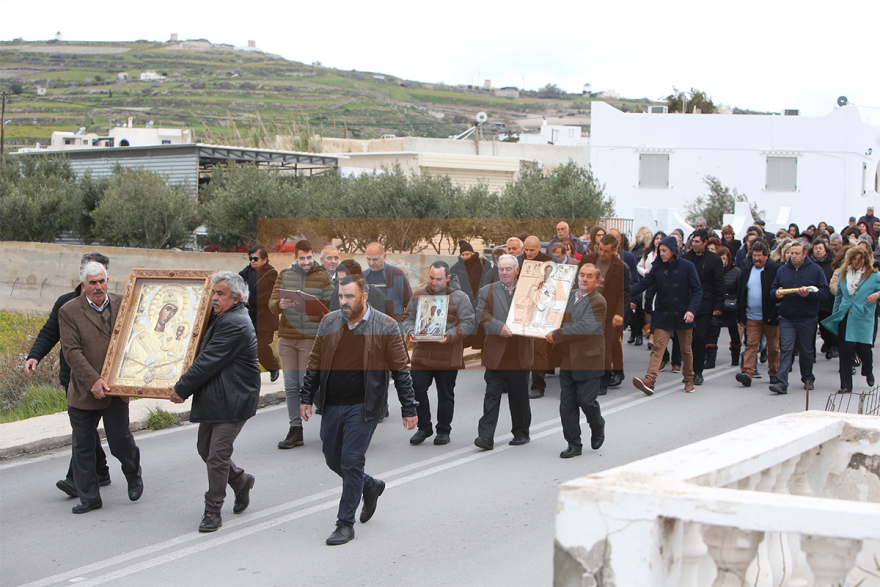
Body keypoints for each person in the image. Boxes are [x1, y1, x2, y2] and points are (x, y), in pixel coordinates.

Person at [299, 274, 418, 546]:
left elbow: (401, 369)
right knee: (332, 458)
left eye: (349, 296)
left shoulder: (386, 326)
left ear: (363, 297)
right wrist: (306, 396)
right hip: (331, 403)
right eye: (341, 296)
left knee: (351, 461)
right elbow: (315, 361)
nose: (344, 301)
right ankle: (370, 486)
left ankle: (345, 524)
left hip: (364, 406)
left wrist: (409, 408)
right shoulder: (330, 321)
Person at [169, 272, 261, 533]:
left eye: (220, 294)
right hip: (216, 396)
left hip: (234, 399)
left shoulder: (235, 323)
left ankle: (213, 509)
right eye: (213, 293)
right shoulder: (223, 316)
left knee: (218, 454)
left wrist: (181, 389)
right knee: (205, 449)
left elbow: (208, 361)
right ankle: (241, 481)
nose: (214, 298)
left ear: (237, 298)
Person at [25, 252, 112, 499]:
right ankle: (100, 471)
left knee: (85, 429)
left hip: (107, 377)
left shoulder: (115, 303)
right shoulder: (66, 303)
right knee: (84, 427)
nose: (96, 283)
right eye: (91, 276)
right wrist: (34, 356)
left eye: (101, 276)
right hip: (74, 379)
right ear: (82, 276)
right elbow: (49, 332)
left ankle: (77, 479)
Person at [58, 262, 142, 514]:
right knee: (83, 446)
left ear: (107, 281)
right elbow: (71, 352)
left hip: (116, 389)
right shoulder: (69, 311)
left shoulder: (124, 303)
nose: (98, 287)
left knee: (119, 441)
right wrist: (93, 380)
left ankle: (133, 472)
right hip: (84, 392)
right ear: (83, 285)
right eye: (92, 282)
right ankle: (89, 497)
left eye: (102, 281)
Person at [269, 239, 334, 449]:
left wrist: (314, 307)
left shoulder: (323, 276)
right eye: (301, 258)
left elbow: (331, 308)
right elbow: (271, 305)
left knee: (306, 384)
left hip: (310, 338)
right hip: (287, 338)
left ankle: (330, 417)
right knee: (290, 386)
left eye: (308, 257)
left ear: (313, 256)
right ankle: (295, 429)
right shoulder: (284, 275)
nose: (305, 262)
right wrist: (280, 303)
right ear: (294, 258)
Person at [402, 261, 475, 446]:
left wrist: (449, 336)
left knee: (445, 394)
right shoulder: (418, 295)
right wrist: (411, 331)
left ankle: (443, 430)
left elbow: (468, 324)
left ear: (448, 278)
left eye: (439, 279)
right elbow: (407, 318)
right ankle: (424, 427)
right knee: (416, 390)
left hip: (447, 356)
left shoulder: (460, 297)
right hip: (422, 355)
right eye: (432, 278)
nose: (435, 282)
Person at [473, 255, 533, 450]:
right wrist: (499, 327)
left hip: (519, 353)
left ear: (517, 270)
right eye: (501, 269)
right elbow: (481, 315)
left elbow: (540, 313)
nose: (504, 272)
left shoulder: (530, 291)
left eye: (508, 269)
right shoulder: (487, 291)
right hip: (496, 354)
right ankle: (485, 437)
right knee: (491, 396)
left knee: (519, 397)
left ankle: (521, 432)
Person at [547, 264, 606, 458]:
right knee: (567, 404)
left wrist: (556, 334)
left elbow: (583, 327)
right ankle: (574, 444)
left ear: (597, 282)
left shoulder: (598, 302)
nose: (584, 279)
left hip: (589, 359)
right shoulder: (569, 296)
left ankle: (597, 425)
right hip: (567, 358)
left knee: (587, 402)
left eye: (590, 276)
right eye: (582, 275)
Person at [631, 236, 702, 394]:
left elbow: (698, 290)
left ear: (673, 251)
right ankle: (650, 380)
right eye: (659, 250)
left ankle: (689, 379)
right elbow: (643, 284)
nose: (661, 253)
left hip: (684, 313)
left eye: (664, 250)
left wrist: (692, 311)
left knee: (686, 349)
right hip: (663, 313)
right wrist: (625, 292)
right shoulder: (657, 267)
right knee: (658, 347)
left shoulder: (687, 266)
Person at [769, 241, 830, 395]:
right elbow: (773, 289)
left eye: (796, 253)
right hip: (787, 317)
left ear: (804, 255)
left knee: (806, 350)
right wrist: (776, 294)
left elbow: (824, 292)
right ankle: (782, 382)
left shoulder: (815, 270)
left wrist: (809, 294)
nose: (793, 256)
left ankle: (808, 378)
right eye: (791, 253)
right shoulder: (783, 270)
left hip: (807, 317)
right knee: (786, 349)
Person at [821, 246, 880, 394]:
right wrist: (835, 316)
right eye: (854, 259)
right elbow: (839, 296)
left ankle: (868, 369)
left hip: (863, 316)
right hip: (845, 315)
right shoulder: (843, 273)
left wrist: (877, 295)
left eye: (860, 260)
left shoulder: (874, 275)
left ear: (866, 260)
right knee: (845, 350)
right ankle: (846, 384)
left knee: (863, 349)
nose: (857, 262)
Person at [578, 233, 629, 394]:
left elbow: (623, 293)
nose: (602, 253)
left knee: (604, 347)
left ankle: (603, 381)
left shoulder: (620, 267)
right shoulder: (588, 260)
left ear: (615, 250)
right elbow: (576, 282)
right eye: (600, 249)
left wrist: (619, 313)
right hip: (586, 309)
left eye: (606, 251)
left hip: (608, 312)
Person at [733, 241, 781, 387]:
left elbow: (778, 292)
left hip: (770, 315)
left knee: (773, 347)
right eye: (754, 255)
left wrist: (775, 312)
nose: (756, 258)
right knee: (751, 345)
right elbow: (741, 292)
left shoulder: (774, 269)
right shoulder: (747, 269)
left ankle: (774, 372)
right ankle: (747, 373)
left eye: (759, 255)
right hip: (751, 315)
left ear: (766, 256)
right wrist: (740, 314)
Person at [682, 229, 725, 386]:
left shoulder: (714, 260)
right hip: (688, 303)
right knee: (687, 339)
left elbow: (719, 284)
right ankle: (688, 371)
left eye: (697, 241)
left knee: (700, 337)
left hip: (706, 304)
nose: (694, 244)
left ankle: (697, 371)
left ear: (705, 242)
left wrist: (719, 304)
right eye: (693, 241)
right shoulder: (686, 258)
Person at [239, 244, 280, 382]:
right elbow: (238, 282)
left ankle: (273, 367)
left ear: (265, 259)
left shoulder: (272, 273)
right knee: (248, 346)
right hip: (251, 316)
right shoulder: (247, 271)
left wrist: (251, 300)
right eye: (250, 258)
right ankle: (250, 373)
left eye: (256, 258)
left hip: (266, 318)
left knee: (260, 346)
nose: (252, 261)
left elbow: (272, 294)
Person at [704, 246, 740, 368]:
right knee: (713, 332)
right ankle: (710, 360)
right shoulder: (713, 271)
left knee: (734, 333)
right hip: (717, 306)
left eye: (725, 259)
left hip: (731, 307)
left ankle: (735, 357)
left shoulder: (736, 272)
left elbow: (740, 290)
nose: (723, 262)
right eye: (721, 259)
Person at [363, 241, 413, 325]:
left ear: (384, 257)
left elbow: (410, 304)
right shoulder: (362, 277)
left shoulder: (397, 275)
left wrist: (406, 325)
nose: (371, 263)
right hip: (369, 331)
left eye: (375, 259)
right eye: (368, 259)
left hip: (393, 329)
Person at [811, 239, 837, 359]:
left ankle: (830, 346)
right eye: (816, 248)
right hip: (812, 301)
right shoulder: (809, 263)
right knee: (810, 330)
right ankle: (811, 353)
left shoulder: (831, 264)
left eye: (820, 248)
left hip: (827, 301)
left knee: (826, 328)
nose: (818, 251)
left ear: (825, 250)